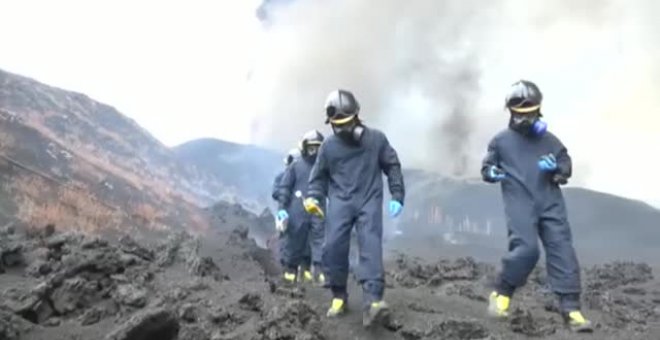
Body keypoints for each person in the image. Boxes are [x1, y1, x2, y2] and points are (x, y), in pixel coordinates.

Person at [481, 80, 593, 332]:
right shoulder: (500, 142)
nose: (525, 119)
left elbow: (566, 163)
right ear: (510, 112)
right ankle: (501, 294)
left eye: (530, 113)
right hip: (519, 202)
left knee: (562, 250)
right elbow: (487, 167)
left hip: (550, 203)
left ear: (539, 111)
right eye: (520, 114)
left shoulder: (550, 141)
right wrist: (492, 172)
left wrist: (558, 169)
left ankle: (571, 309)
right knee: (527, 250)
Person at [303, 89, 405, 328]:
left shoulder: (376, 139)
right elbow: (317, 178)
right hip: (340, 202)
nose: (342, 129)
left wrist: (397, 194)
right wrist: (313, 198)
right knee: (333, 247)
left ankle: (373, 302)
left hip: (369, 199)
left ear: (357, 116)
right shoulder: (328, 147)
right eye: (337, 125)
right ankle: (339, 295)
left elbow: (392, 165)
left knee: (370, 246)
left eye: (346, 122)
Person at [275, 130, 326, 285]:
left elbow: (334, 189)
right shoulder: (296, 167)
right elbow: (284, 188)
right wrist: (282, 208)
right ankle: (290, 271)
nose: (314, 152)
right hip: (297, 210)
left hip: (318, 210)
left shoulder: (325, 168)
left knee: (320, 240)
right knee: (295, 239)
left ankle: (318, 271)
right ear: (304, 147)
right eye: (311, 148)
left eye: (318, 148)